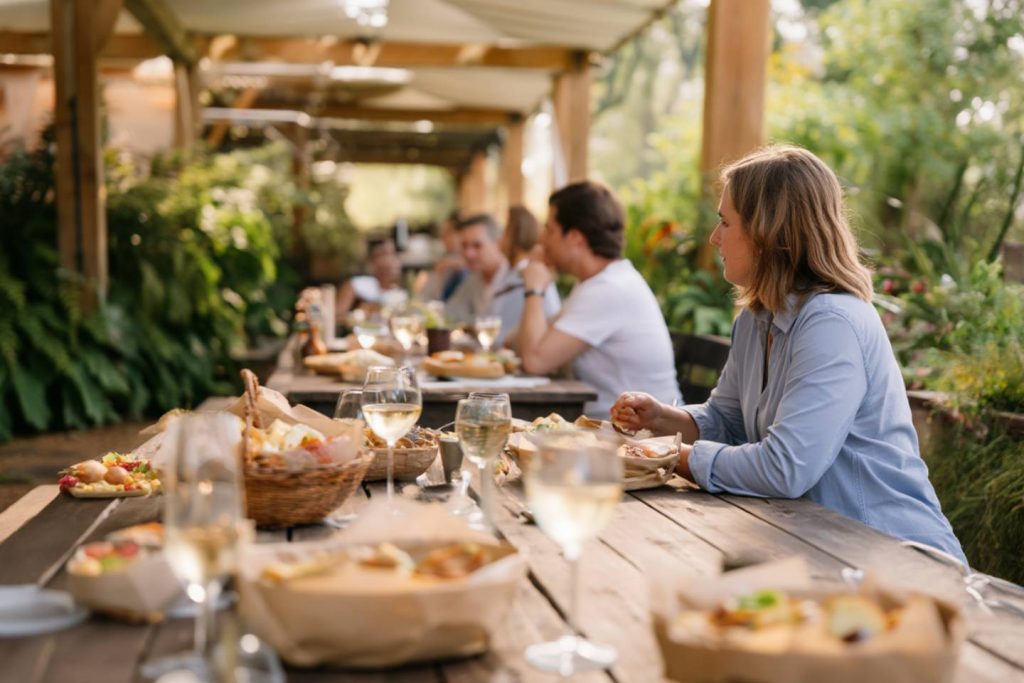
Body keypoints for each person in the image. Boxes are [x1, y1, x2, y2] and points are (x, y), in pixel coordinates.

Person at [611, 145, 965, 561]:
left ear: (768, 234)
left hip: (895, 556)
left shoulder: (832, 323)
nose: (714, 236)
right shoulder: (756, 318)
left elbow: (785, 468)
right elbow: (727, 419)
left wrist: (666, 456)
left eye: (725, 222)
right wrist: (662, 419)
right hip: (814, 545)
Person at [518, 181, 680, 418]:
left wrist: (534, 290)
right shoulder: (597, 283)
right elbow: (521, 344)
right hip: (612, 427)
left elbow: (534, 361)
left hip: (643, 439)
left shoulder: (608, 289)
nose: (542, 240)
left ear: (575, 237)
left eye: (549, 230)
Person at [445, 213, 560, 348]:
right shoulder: (473, 280)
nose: (468, 254)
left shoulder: (522, 280)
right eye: (464, 246)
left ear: (499, 243)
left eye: (477, 246)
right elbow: (448, 315)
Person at [335, 235, 404, 317]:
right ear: (373, 260)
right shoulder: (356, 285)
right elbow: (336, 316)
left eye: (394, 254)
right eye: (385, 255)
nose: (392, 261)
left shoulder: (401, 290)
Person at [415, 210, 467, 302]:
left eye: (448, 233)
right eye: (442, 233)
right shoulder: (446, 259)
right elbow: (427, 296)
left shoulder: (469, 268)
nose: (443, 238)